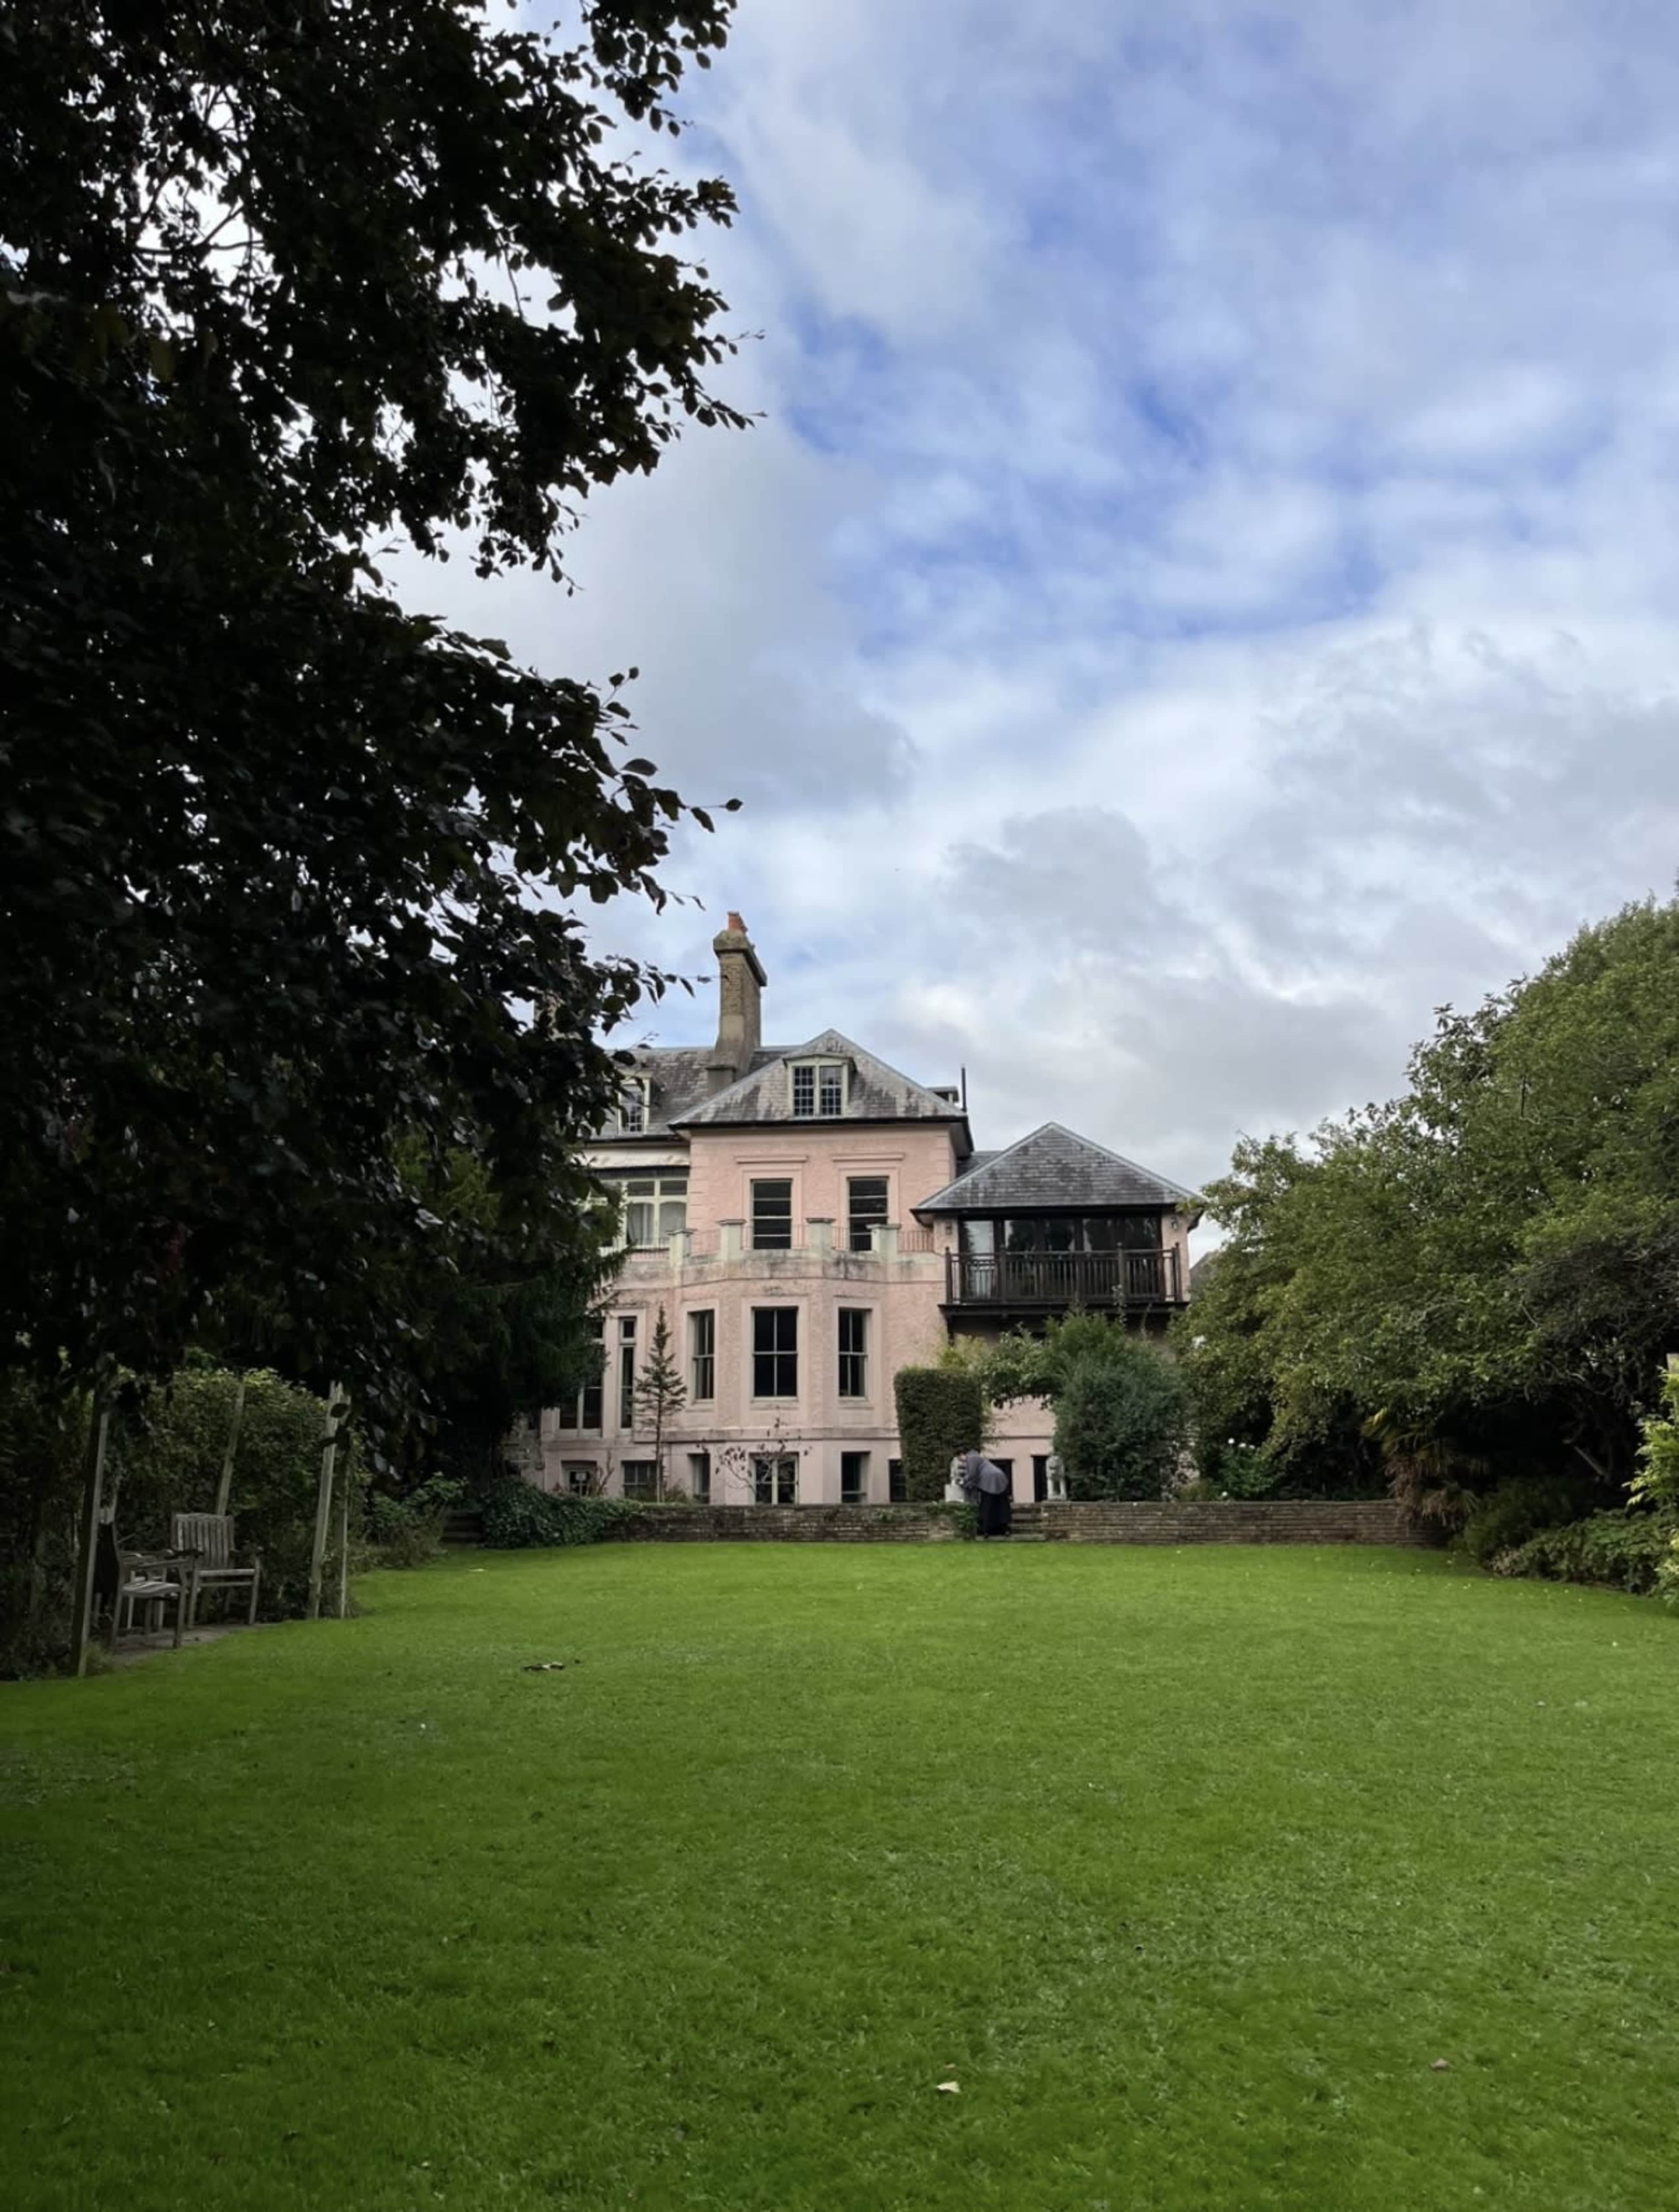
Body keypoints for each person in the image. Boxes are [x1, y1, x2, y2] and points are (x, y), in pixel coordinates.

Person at [958, 1448, 1013, 1539]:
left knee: (987, 1505)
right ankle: (1005, 1528)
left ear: (962, 1454)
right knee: (1002, 1504)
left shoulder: (971, 1458)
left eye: (961, 1459)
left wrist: (963, 1482)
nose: (962, 1462)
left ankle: (986, 1529)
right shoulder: (980, 1458)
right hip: (1001, 1477)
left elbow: (972, 1475)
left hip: (988, 1480)